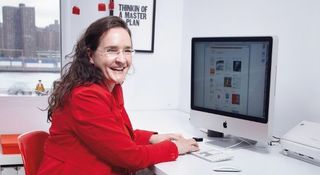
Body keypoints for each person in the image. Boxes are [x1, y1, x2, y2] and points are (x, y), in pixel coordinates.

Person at [37, 16, 199, 175]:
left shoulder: (110, 88)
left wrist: (151, 138)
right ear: (90, 55)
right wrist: (176, 148)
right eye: (112, 50)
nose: (122, 59)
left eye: (127, 50)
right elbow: (130, 157)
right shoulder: (84, 97)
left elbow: (116, 137)